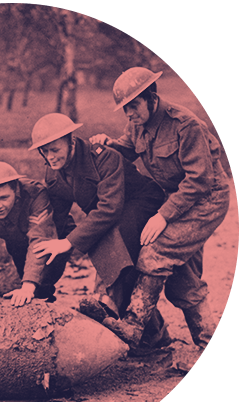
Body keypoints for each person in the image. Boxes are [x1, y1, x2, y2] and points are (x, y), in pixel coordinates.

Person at [88, 67, 230, 352]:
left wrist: (163, 215)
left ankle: (133, 324)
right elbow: (127, 151)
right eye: (125, 109)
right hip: (179, 198)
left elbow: (200, 180)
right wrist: (107, 146)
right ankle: (205, 343)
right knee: (183, 280)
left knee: (155, 252)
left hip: (206, 201)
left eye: (133, 106)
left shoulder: (185, 125)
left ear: (151, 97)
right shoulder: (137, 125)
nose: (129, 114)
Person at [28, 112, 169, 352]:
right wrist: (36, 279)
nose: (49, 156)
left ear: (71, 142)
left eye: (54, 149)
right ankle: (156, 336)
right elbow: (58, 219)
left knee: (114, 238)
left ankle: (106, 303)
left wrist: (70, 242)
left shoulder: (104, 158)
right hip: (111, 212)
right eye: (44, 151)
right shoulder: (53, 173)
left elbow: (110, 209)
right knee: (122, 259)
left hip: (142, 201)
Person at [0, 161, 68, 307]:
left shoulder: (35, 194)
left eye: (4, 198)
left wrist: (27, 287)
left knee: (43, 281)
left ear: (16, 190)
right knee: (30, 286)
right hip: (16, 240)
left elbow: (40, 240)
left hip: (53, 237)